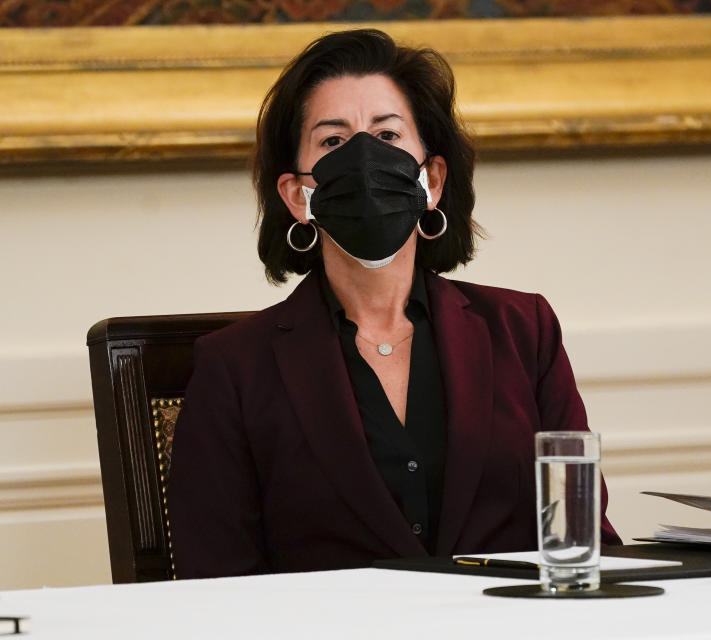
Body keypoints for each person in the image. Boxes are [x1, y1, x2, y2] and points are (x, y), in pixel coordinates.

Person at [169, 28, 620, 579]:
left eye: (387, 135)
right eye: (333, 143)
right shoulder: (234, 366)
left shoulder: (525, 331)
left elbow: (584, 540)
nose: (364, 159)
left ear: (431, 180)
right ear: (296, 196)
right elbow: (213, 583)